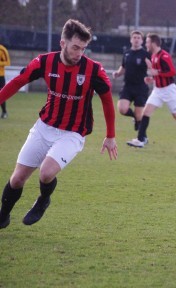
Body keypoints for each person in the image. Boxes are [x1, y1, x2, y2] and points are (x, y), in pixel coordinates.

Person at [0, 19, 118, 229]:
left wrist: (110, 135)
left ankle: (43, 200)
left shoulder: (94, 70)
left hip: (72, 133)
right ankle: (3, 214)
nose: (79, 53)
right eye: (75, 47)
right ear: (62, 43)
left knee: (46, 172)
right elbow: (18, 82)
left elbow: (107, 100)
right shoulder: (44, 62)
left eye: (83, 48)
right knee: (17, 179)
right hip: (44, 127)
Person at [112, 30, 151, 131]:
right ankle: (134, 117)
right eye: (134, 37)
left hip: (141, 87)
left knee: (140, 116)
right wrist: (118, 73)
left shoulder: (145, 54)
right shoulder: (126, 53)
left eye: (138, 38)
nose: (136, 40)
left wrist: (152, 77)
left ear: (142, 41)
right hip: (128, 86)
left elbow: (151, 68)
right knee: (122, 109)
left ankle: (141, 136)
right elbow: (123, 67)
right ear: (131, 40)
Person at [0, 43, 11, 118]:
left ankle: (4, 112)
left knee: (1, 94)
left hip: (0, 76)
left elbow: (7, 62)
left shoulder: (2, 49)